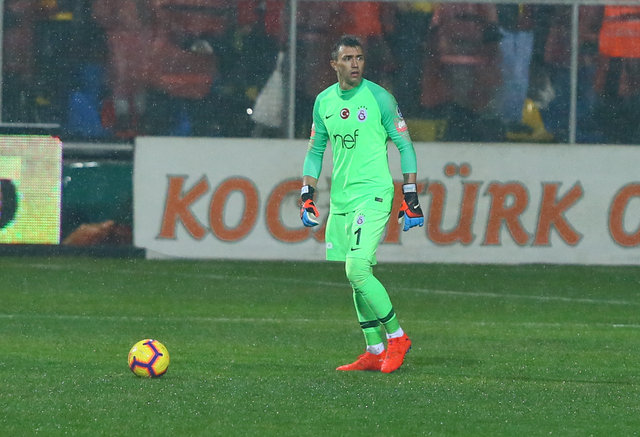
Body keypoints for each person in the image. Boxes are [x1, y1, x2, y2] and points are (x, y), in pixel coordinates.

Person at [299, 35, 424, 373]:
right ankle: (373, 349)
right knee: (355, 274)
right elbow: (315, 151)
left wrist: (410, 194)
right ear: (334, 64)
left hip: (373, 194)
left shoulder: (380, 98)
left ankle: (397, 337)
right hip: (341, 198)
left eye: (359, 58)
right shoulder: (324, 101)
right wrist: (307, 195)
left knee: (357, 269)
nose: (355, 64)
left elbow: (405, 145)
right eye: (348, 58)